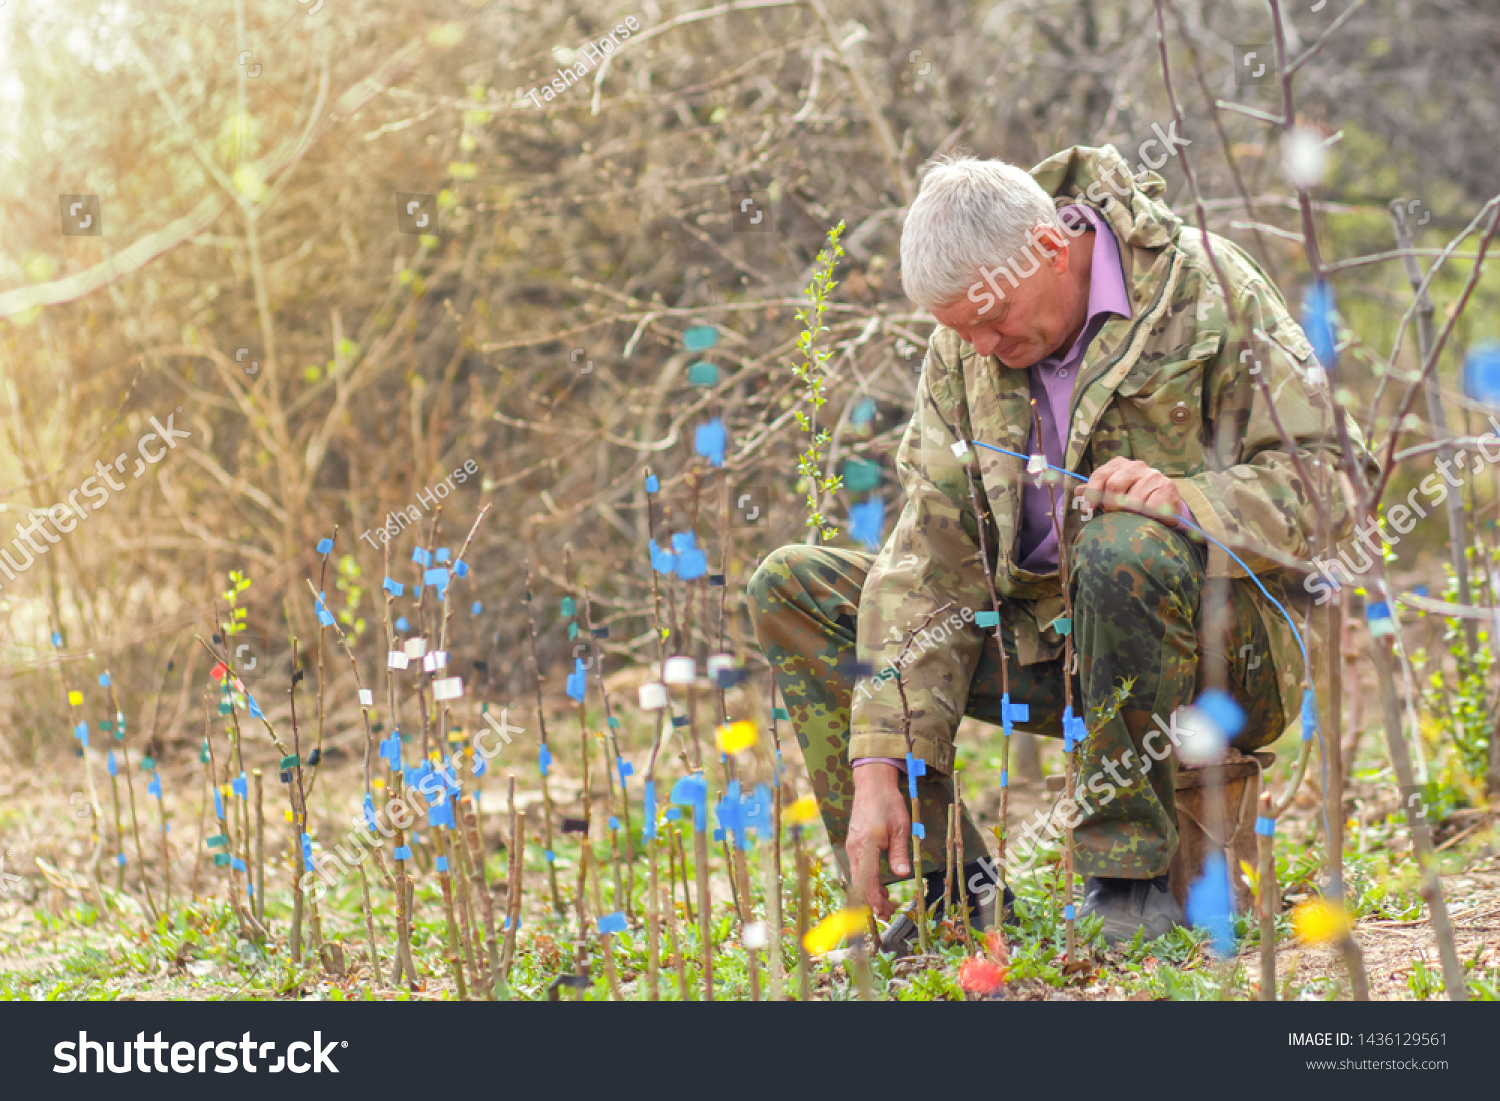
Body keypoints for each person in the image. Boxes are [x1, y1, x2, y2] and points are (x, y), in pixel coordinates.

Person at [747, 145, 1376, 948]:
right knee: (795, 585)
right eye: (957, 330)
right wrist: (878, 758)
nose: (977, 345)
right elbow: (931, 564)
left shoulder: (1205, 289)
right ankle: (952, 891)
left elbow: (1341, 483)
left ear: (1049, 249)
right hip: (1054, 651)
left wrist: (1193, 501)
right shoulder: (968, 351)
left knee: (1121, 544)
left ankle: (1128, 880)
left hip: (1221, 653)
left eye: (987, 319)